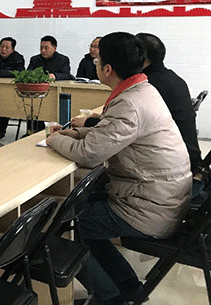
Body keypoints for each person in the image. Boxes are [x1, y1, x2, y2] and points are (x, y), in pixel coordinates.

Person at [47, 32, 191, 305]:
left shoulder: (130, 103)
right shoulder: (142, 90)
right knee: (80, 214)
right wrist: (74, 134)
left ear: (107, 69)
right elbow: (108, 134)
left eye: (98, 60)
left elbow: (88, 154)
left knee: (66, 223)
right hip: (159, 198)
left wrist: (53, 139)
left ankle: (108, 297)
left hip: (151, 209)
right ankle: (127, 286)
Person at [137, 33, 202, 177]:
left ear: (141, 57)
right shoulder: (173, 77)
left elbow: (130, 127)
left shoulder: (148, 85)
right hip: (190, 159)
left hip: (173, 166)